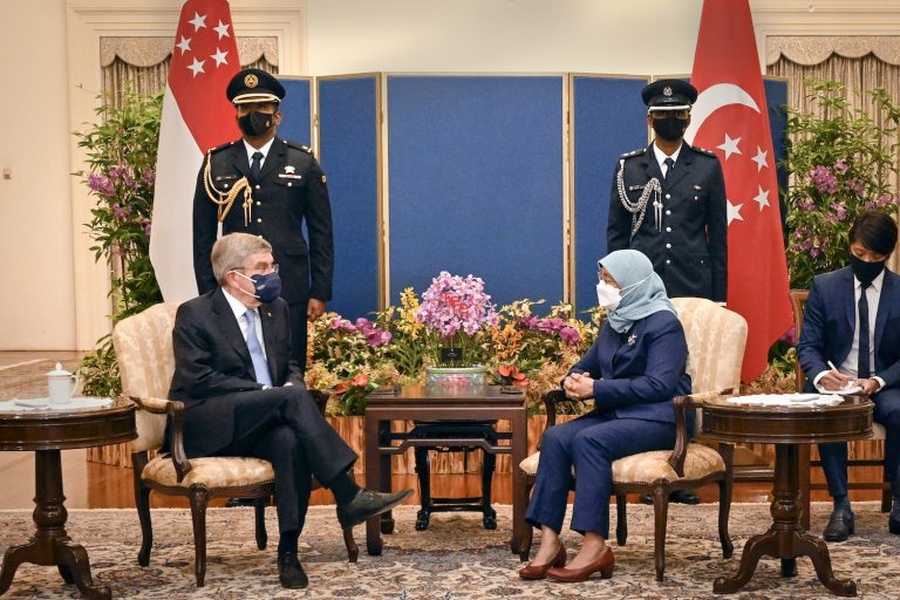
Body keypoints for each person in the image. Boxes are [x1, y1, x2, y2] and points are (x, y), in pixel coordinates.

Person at [169, 232, 412, 589]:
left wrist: (290, 387)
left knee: (289, 440)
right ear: (234, 276)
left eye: (273, 266)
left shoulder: (276, 309)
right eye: (262, 268)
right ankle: (346, 494)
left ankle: (288, 552)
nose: (272, 275)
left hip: (269, 419)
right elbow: (199, 379)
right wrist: (269, 393)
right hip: (213, 421)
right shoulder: (196, 314)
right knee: (292, 399)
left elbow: (291, 366)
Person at [519, 249, 691, 582]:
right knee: (555, 437)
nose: (602, 286)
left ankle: (595, 546)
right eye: (601, 278)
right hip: (619, 414)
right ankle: (550, 541)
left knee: (589, 440)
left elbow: (659, 384)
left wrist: (596, 389)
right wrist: (573, 378)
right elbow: (589, 364)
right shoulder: (615, 320)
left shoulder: (664, 323)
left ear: (633, 283)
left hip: (660, 418)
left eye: (609, 280)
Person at [193, 68, 333, 373]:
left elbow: (322, 232)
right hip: (234, 284)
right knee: (238, 364)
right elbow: (202, 235)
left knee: (288, 364)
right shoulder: (216, 162)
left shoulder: (301, 161)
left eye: (261, 108)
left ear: (277, 116)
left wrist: (319, 291)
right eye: (244, 108)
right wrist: (209, 290)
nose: (252, 114)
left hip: (289, 283)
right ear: (236, 115)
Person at [797, 210, 900, 541]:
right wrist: (821, 376)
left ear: (889, 255)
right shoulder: (825, 287)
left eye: (876, 257)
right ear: (849, 245)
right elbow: (808, 347)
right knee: (831, 413)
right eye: (860, 254)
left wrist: (878, 381)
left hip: (884, 383)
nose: (867, 261)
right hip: (837, 383)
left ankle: (899, 500)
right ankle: (841, 505)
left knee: (899, 412)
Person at [607, 78, 728, 303]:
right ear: (650, 119)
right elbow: (617, 237)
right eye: (662, 114)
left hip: (693, 285)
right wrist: (616, 291)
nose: (671, 119)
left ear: (689, 119)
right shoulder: (629, 167)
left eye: (679, 114)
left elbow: (719, 239)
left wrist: (719, 299)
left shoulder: (707, 166)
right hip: (641, 284)